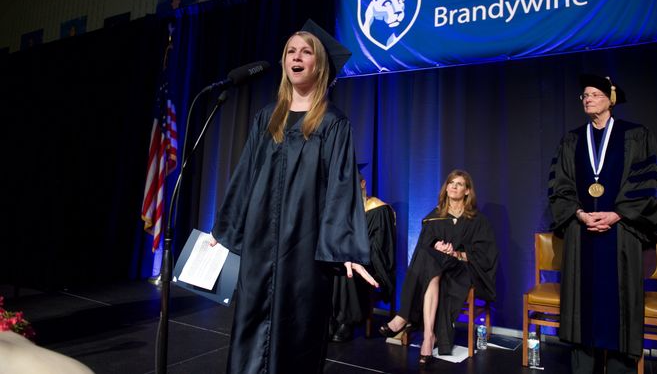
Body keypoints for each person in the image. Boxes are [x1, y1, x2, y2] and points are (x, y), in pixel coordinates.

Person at [209, 19, 378, 374]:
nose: (296, 57)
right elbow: (245, 176)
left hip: (303, 252)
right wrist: (227, 227)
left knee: (297, 334)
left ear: (319, 64)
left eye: (305, 52)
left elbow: (341, 185)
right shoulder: (266, 119)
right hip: (259, 248)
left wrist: (344, 246)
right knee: (250, 330)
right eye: (290, 51)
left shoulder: (332, 123)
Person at [548, 74, 657, 374]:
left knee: (619, 309)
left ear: (610, 100)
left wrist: (617, 213)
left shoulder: (636, 135)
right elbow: (560, 186)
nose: (587, 98)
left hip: (622, 235)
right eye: (584, 95)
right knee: (583, 309)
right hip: (582, 232)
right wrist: (579, 213)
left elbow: (649, 185)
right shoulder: (572, 140)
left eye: (594, 94)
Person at [379, 169, 498, 365]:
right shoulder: (435, 215)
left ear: (467, 191)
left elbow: (486, 255)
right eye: (451, 182)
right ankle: (428, 337)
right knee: (429, 258)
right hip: (436, 267)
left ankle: (403, 317)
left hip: (461, 269)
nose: (453, 186)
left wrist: (456, 253)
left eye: (459, 184)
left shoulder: (477, 220)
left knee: (428, 262)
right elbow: (424, 245)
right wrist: (436, 245)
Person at [329, 166, 396, 343]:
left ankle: (346, 321)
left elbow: (379, 247)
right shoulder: (340, 211)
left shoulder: (378, 209)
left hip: (370, 262)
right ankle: (329, 319)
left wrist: (352, 255)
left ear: (363, 184)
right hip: (345, 258)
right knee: (332, 264)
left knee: (347, 269)